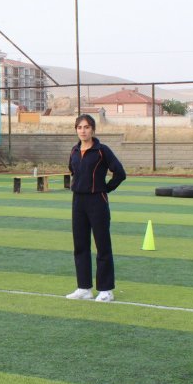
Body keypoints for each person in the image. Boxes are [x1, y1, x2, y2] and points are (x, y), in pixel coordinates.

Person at [65, 114, 126, 302]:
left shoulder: (102, 150)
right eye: (79, 127)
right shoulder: (74, 150)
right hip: (78, 201)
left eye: (86, 127)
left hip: (97, 201)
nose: (83, 131)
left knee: (102, 245)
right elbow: (73, 171)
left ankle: (106, 290)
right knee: (80, 245)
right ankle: (84, 288)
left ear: (93, 129)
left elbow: (120, 173)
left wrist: (105, 188)